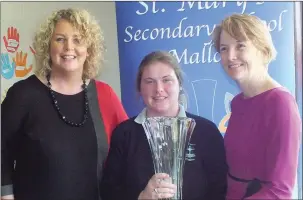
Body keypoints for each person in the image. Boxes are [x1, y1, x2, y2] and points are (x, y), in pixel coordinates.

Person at [1, 8, 128, 200]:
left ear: (89, 49)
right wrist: (5, 194)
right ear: (47, 46)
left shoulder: (104, 94)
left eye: (78, 40)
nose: (69, 47)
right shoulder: (23, 95)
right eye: (60, 39)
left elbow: (129, 145)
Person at [100, 51, 227, 200]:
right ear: (140, 88)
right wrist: (141, 197)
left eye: (167, 80)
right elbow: (109, 191)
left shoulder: (206, 132)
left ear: (179, 84)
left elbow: (220, 189)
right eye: (149, 81)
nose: (159, 89)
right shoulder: (124, 134)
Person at [212, 13, 301, 199]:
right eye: (223, 48)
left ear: (262, 49)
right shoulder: (237, 103)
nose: (231, 56)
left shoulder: (280, 103)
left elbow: (280, 191)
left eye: (240, 46)